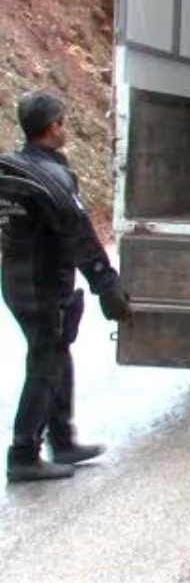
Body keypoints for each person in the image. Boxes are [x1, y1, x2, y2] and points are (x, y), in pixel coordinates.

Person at [0, 89, 133, 483]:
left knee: (56, 352)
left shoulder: (10, 169)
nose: (65, 128)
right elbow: (80, 236)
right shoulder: (51, 176)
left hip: (15, 280)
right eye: (63, 122)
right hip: (42, 284)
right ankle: (23, 453)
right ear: (52, 127)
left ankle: (63, 440)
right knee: (44, 362)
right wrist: (106, 284)